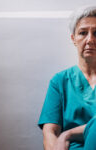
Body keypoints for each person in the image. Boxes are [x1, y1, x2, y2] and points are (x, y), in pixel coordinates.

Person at [38, 5, 96, 150]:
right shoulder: (60, 81)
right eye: (83, 33)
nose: (90, 40)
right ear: (74, 38)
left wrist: (67, 134)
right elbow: (50, 131)